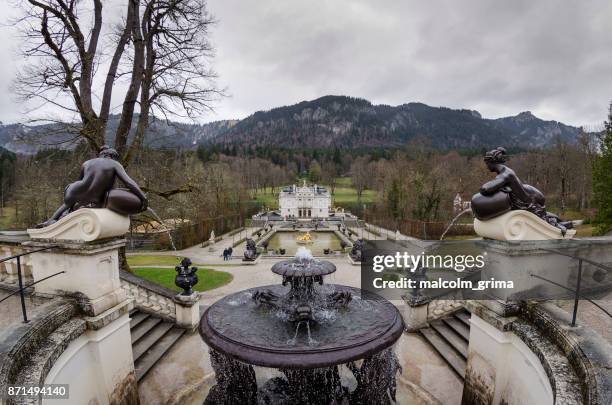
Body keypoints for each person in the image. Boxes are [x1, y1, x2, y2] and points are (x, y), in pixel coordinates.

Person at [37, 145, 147, 228]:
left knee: (66, 205)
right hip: (95, 195)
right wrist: (143, 197)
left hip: (74, 188)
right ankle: (63, 219)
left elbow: (81, 180)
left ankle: (51, 220)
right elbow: (129, 182)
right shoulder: (114, 164)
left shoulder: (87, 163)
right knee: (98, 203)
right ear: (111, 156)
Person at [473, 147, 571, 234]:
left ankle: (560, 227)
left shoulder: (505, 174)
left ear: (492, 162)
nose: (486, 166)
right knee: (543, 213)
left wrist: (499, 187)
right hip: (529, 198)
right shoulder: (506, 171)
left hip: (525, 203)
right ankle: (562, 222)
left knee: (544, 219)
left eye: (487, 163)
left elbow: (485, 189)